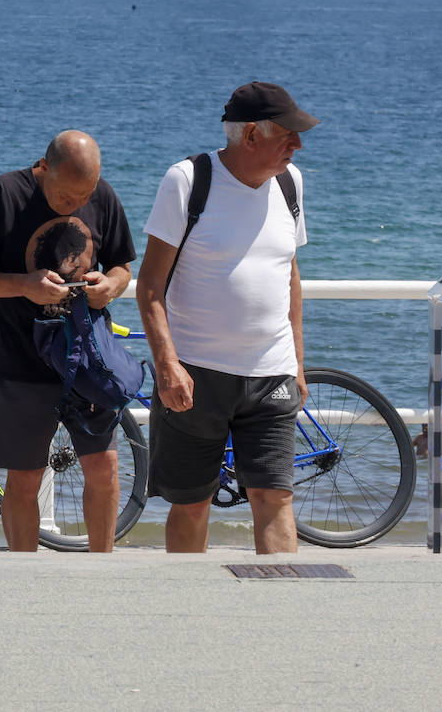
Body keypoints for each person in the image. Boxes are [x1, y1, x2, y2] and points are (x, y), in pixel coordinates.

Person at [135, 82, 319, 553]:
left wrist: (297, 362)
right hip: (196, 374)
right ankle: (192, 612)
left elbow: (289, 278)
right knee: (192, 503)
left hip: (271, 374)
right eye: (289, 135)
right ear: (251, 136)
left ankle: (278, 612)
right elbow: (150, 286)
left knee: (275, 497)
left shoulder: (289, 183)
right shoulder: (188, 180)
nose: (297, 145)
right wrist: (167, 364)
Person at [0, 130, 135, 552]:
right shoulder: (2, 195)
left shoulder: (102, 195)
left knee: (105, 467)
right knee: (25, 476)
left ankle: (100, 569)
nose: (76, 204)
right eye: (66, 196)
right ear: (43, 168)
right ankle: (24, 574)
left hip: (88, 358)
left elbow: (122, 265)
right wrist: (23, 285)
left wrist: (110, 285)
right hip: (18, 360)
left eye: (83, 195)